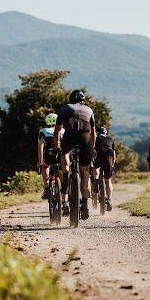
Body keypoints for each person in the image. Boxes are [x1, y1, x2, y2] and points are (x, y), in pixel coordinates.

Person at [54, 89, 96, 220]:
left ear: (70, 99)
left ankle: (66, 176)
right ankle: (84, 205)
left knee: (64, 152)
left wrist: (57, 146)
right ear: (83, 101)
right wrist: (92, 148)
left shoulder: (65, 108)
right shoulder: (89, 110)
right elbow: (93, 133)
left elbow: (57, 130)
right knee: (85, 172)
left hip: (70, 136)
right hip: (85, 138)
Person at [38, 113, 63, 199]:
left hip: (49, 153)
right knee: (62, 170)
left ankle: (47, 188)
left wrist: (40, 162)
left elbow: (40, 148)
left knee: (45, 166)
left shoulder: (42, 131)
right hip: (61, 154)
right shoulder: (63, 130)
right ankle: (64, 188)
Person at [92, 126, 116, 211]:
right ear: (105, 133)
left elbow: (92, 151)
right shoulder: (110, 140)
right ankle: (109, 199)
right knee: (108, 180)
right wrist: (112, 165)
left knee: (96, 169)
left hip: (99, 157)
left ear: (97, 133)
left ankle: (96, 181)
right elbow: (114, 154)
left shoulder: (95, 139)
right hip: (109, 158)